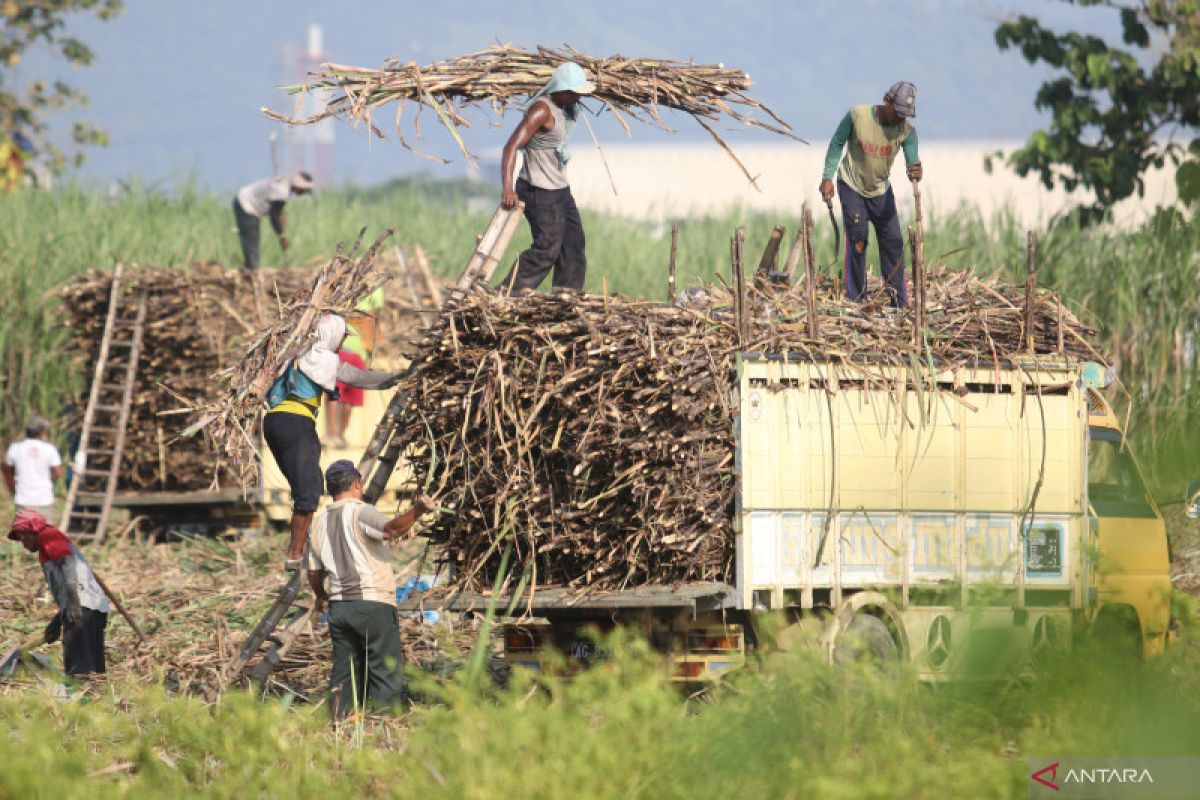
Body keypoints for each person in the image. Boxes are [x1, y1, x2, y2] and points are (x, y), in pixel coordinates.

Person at [265, 313, 401, 571]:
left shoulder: (291, 353)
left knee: (309, 486)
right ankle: (295, 554)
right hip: (297, 423)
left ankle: (301, 548)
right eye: (341, 339)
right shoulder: (321, 359)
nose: (341, 345)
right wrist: (399, 377)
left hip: (274, 423)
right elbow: (361, 379)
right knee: (308, 494)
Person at [305, 459, 433, 717]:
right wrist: (418, 509)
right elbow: (391, 530)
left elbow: (313, 572)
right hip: (372, 604)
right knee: (385, 669)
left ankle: (341, 724)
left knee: (345, 673)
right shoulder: (361, 511)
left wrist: (322, 596)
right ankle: (387, 722)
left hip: (339, 608)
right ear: (356, 484)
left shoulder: (318, 523)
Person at [818, 81, 922, 307]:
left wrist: (916, 170)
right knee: (858, 239)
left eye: (906, 115)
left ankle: (899, 303)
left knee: (894, 241)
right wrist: (827, 177)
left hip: (880, 190)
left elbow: (912, 165)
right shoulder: (858, 115)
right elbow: (837, 143)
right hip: (851, 185)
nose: (901, 119)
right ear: (887, 101)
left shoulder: (906, 132)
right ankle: (856, 301)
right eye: (899, 112)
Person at [498, 62, 596, 292]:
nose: (577, 97)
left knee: (573, 244)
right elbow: (510, 147)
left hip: (559, 188)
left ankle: (566, 296)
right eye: (573, 92)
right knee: (546, 248)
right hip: (538, 189)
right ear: (561, 89)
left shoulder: (563, 107)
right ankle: (507, 293)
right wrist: (507, 188)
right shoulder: (541, 110)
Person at [9, 509, 110, 676]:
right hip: (92, 607)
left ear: (31, 531)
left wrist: (72, 600)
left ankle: (80, 700)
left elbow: (68, 563)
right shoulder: (51, 539)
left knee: (79, 669)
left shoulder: (47, 535)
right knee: (94, 668)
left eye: (22, 537)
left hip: (80, 607)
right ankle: (94, 698)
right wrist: (57, 623)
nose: (23, 543)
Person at [326, 287, 385, 449]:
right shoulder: (373, 291)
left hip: (349, 350)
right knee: (342, 395)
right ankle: (336, 435)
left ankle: (336, 435)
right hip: (349, 350)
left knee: (340, 394)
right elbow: (373, 319)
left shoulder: (346, 289)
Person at [232, 171, 314, 269]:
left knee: (252, 240)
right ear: (298, 187)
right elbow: (274, 217)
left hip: (247, 203)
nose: (303, 193)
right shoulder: (281, 191)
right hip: (246, 204)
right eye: (303, 191)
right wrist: (281, 235)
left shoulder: (285, 182)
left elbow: (277, 212)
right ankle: (252, 271)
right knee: (252, 240)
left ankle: (250, 268)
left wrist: (280, 216)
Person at [3, 416, 62, 519]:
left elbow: (6, 469)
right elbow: (57, 472)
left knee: (25, 532)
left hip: (23, 500)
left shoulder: (15, 448)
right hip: (44, 499)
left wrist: (11, 489)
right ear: (40, 432)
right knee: (44, 533)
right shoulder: (50, 449)